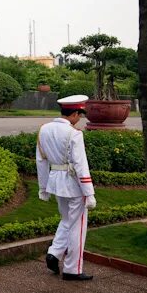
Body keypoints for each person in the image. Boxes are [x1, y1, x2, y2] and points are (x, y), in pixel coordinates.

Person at [36, 94, 97, 281]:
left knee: (66, 220)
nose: (80, 118)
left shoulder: (44, 129)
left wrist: (43, 187)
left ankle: (54, 253)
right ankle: (73, 269)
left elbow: (41, 160)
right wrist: (89, 192)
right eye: (80, 114)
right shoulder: (74, 134)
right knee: (77, 226)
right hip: (73, 185)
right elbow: (80, 165)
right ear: (75, 113)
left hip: (55, 181)